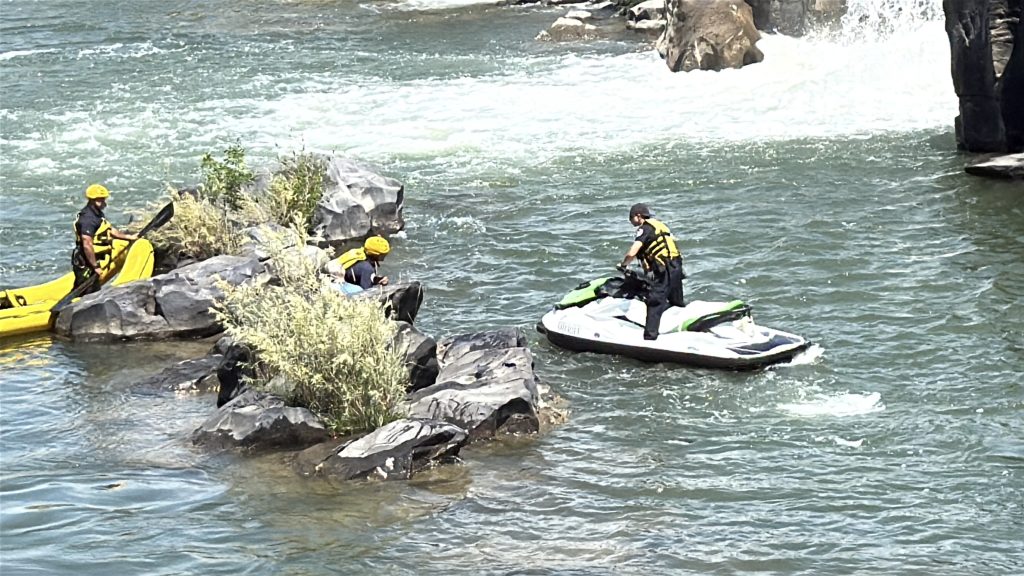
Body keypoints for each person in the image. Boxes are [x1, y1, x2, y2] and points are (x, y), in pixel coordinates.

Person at [619, 203, 685, 340]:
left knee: (655, 300)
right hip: (676, 264)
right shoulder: (658, 225)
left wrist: (623, 264)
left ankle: (650, 337)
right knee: (676, 299)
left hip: (665, 267)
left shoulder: (645, 228)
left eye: (631, 218)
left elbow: (633, 251)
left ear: (638, 216)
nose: (630, 221)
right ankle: (682, 328)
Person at [72, 184, 137, 293]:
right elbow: (87, 244)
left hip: (95, 258)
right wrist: (95, 266)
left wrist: (129, 237)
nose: (104, 203)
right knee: (86, 290)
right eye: (101, 200)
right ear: (92, 200)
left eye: (104, 200)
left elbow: (109, 230)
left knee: (94, 288)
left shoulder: (97, 214)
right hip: (85, 262)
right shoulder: (88, 219)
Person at [326, 235, 391, 290]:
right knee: (358, 290)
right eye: (384, 254)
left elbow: (358, 274)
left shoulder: (359, 252)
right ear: (376, 255)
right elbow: (367, 292)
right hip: (336, 285)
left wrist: (377, 280)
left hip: (330, 278)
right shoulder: (367, 268)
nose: (386, 255)